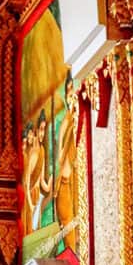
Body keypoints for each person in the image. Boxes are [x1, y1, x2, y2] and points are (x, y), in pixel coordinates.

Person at [55, 75, 78, 253]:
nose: (71, 97)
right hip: (65, 182)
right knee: (67, 222)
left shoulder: (78, 118)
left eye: (73, 91)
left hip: (76, 179)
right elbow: (61, 154)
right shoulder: (66, 123)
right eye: (68, 92)